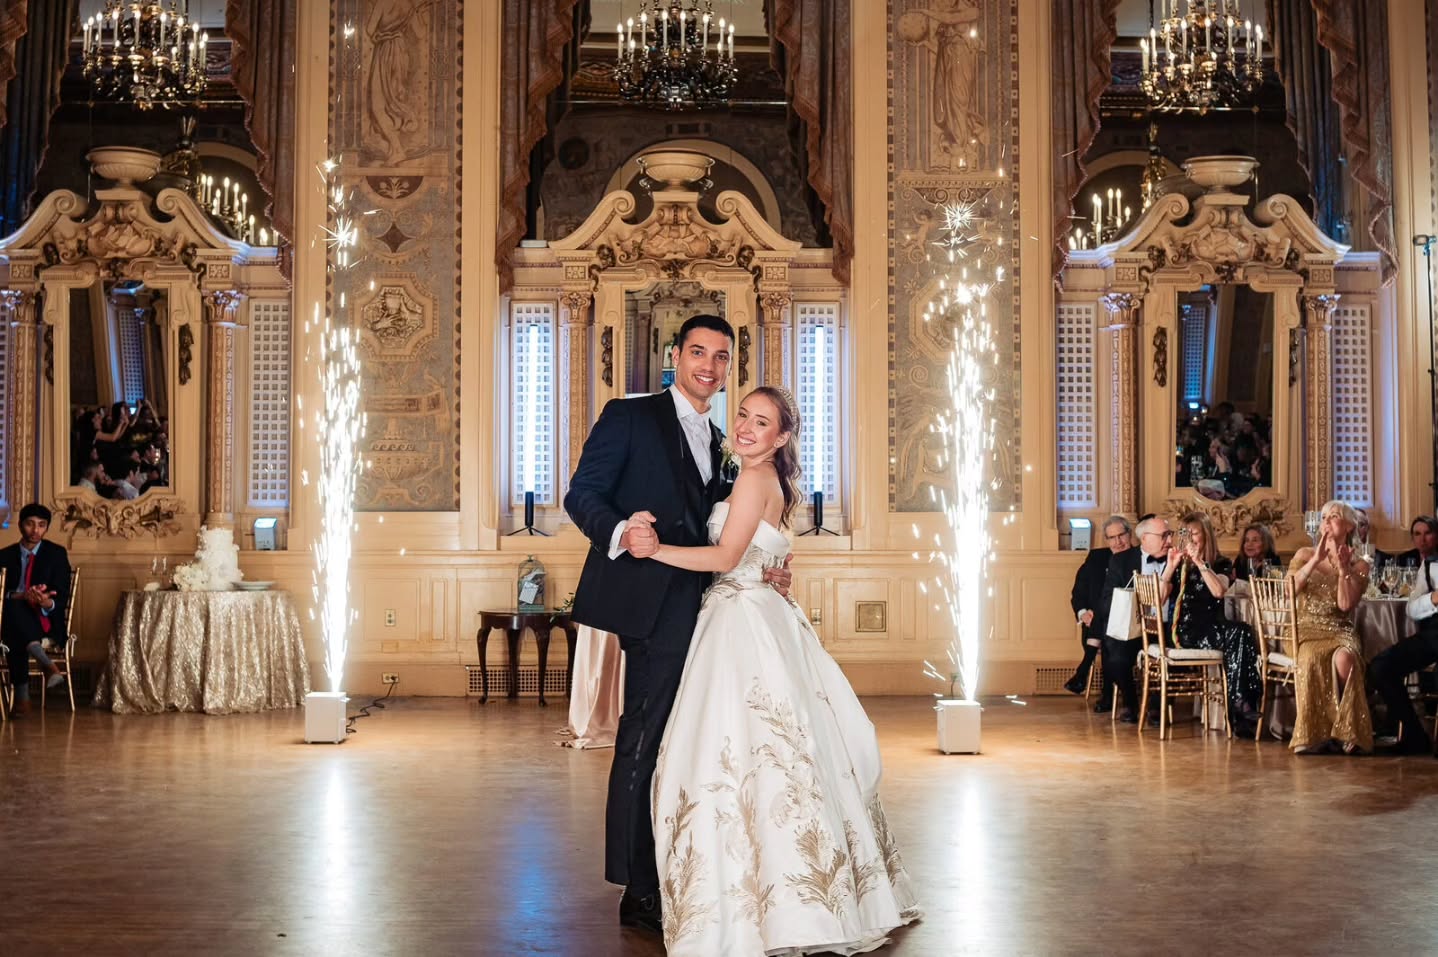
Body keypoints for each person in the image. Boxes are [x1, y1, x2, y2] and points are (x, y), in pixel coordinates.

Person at [648, 387, 919, 955]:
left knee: (738, 754)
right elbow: (764, 551)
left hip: (740, 620)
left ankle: (752, 903)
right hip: (756, 613)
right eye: (742, 415)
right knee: (777, 756)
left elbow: (725, 559)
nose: (745, 427)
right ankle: (793, 894)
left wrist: (653, 550)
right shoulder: (760, 478)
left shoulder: (753, 479)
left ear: (782, 437)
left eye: (761, 421)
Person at [563, 314, 791, 935]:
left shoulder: (725, 440)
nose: (708, 366)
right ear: (674, 355)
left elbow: (733, 529)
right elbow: (581, 493)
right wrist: (621, 532)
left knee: (697, 743)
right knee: (646, 735)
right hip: (652, 607)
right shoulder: (628, 416)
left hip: (714, 611)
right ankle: (638, 886)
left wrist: (768, 565)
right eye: (698, 352)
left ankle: (694, 868)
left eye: (720, 357)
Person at [1287, 500, 1373, 754]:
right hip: (1304, 629)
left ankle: (1347, 731)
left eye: (1333, 516)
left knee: (1346, 659)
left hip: (1339, 630)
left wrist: (1344, 567)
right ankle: (1315, 734)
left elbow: (1345, 605)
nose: (1326, 520)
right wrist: (1315, 559)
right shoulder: (1303, 554)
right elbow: (1288, 591)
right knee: (1311, 656)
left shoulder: (1360, 565)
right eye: (1324, 516)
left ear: (1348, 526)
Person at [1165, 513, 1262, 735]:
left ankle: (1239, 704)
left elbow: (1218, 591)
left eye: (1194, 534)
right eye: (1185, 534)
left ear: (1206, 536)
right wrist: (1170, 568)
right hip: (1185, 630)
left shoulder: (1221, 563)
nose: (1190, 539)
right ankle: (1241, 706)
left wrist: (1199, 562)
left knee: (1242, 632)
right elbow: (1159, 599)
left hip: (1212, 627)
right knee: (1238, 635)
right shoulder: (1178, 565)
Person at [1100, 516, 1174, 723]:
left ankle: (1159, 705)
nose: (1169, 541)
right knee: (1115, 655)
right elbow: (1106, 600)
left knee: (1173, 651)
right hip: (1135, 628)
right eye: (1163, 536)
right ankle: (1130, 702)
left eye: (1170, 535)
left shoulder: (1177, 560)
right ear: (1144, 539)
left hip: (1168, 627)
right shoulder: (1121, 561)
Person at [1, 503, 71, 717]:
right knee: (14, 608)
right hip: (10, 617)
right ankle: (47, 665)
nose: (35, 530)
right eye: (30, 524)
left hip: (44, 619)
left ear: (47, 528)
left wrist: (44, 601)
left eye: (41, 525)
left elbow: (61, 595)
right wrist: (18, 595)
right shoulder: (4, 555)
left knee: (14, 624)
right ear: (21, 525)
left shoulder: (56, 554)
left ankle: (22, 700)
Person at [1369, 552, 1438, 755]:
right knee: (1381, 667)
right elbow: (1412, 610)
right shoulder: (1429, 565)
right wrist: (1433, 599)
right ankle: (1415, 736)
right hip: (1433, 636)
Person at [1065, 515, 1132, 704]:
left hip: (1130, 624)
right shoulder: (1096, 558)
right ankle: (1107, 694)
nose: (1118, 542)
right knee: (1103, 621)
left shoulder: (1138, 558)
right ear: (1107, 540)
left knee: (1107, 622)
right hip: (1097, 622)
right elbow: (1078, 592)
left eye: (1122, 536)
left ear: (1130, 534)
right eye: (1112, 538)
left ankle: (1085, 674)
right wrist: (1083, 612)